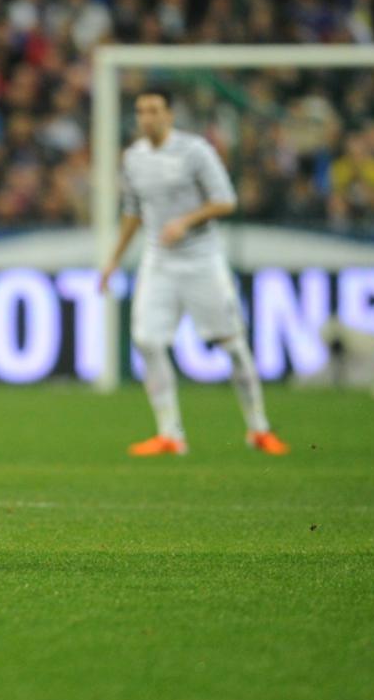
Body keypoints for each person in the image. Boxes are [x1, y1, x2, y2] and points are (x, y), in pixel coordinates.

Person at [100, 88, 289, 457]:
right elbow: (133, 211)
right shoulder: (134, 158)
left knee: (232, 345)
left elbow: (225, 201)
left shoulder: (195, 151)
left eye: (154, 110)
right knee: (147, 341)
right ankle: (170, 433)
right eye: (141, 111)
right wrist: (113, 259)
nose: (147, 118)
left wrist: (186, 222)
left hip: (202, 260)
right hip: (159, 260)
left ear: (170, 115)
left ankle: (258, 428)